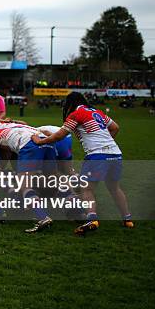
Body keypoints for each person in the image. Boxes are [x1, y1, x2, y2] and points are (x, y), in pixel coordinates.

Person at [31, 92, 133, 235]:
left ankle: (92, 218)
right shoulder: (97, 112)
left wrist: (40, 141)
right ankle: (127, 219)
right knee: (115, 188)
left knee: (87, 189)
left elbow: (60, 135)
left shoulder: (76, 114)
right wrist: (105, 143)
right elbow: (115, 127)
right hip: (116, 154)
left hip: (97, 155)